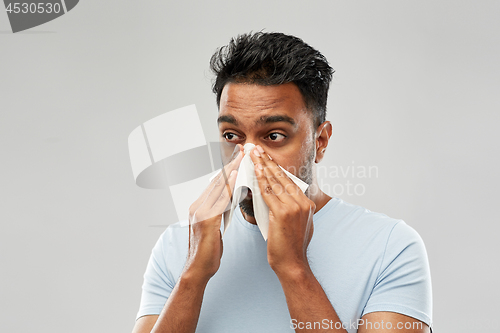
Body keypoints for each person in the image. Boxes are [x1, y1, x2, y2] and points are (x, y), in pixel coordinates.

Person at [131, 32, 432, 333]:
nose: (248, 158)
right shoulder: (176, 246)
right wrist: (194, 275)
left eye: (274, 136)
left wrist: (294, 269)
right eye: (231, 136)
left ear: (321, 141)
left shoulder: (390, 247)